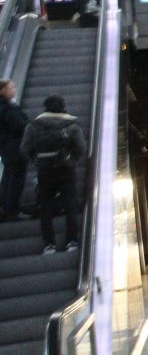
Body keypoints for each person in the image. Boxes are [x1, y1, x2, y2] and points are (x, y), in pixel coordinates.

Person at [21, 95, 87, 254]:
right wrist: (72, 160)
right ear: (63, 106)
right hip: (66, 170)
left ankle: (49, 244)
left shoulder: (34, 126)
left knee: (45, 206)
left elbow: (25, 148)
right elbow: (81, 147)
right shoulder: (71, 125)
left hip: (44, 170)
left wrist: (36, 160)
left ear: (45, 107)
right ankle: (72, 241)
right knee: (70, 204)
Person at [0, 79, 29, 222]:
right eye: (11, 87)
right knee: (16, 179)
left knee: (8, 177)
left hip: (6, 148)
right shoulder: (7, 108)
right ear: (2, 90)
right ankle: (12, 210)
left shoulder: (5, 107)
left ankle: (6, 208)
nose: (14, 89)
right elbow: (19, 125)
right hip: (15, 148)